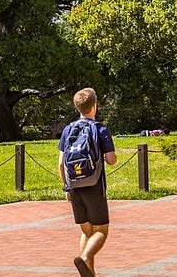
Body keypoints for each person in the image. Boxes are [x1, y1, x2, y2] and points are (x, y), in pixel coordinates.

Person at [57, 87, 117, 277]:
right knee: (101, 231)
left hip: (74, 186)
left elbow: (60, 163)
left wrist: (66, 186)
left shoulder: (68, 130)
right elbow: (111, 159)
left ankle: (89, 274)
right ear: (94, 106)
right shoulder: (100, 129)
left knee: (86, 231)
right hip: (94, 185)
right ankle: (84, 259)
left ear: (78, 108)